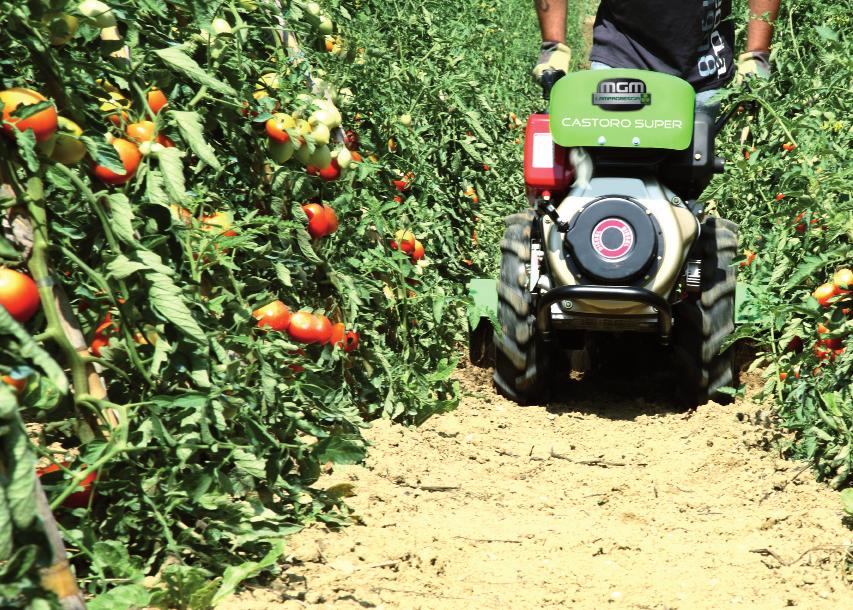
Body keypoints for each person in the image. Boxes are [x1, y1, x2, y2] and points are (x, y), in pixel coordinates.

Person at [533, 0, 780, 115]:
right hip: (623, 61)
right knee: (611, 172)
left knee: (686, 185)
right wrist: (554, 47)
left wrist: (756, 55)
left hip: (702, 70)